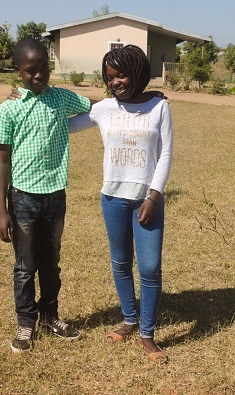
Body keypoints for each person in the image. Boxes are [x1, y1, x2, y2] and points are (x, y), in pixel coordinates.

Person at [68, 45, 173, 363]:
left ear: (137, 73)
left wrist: (154, 196)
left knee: (151, 268)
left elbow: (166, 153)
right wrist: (31, 104)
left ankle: (147, 334)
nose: (115, 82)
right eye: (109, 77)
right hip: (112, 198)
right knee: (120, 262)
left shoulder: (159, 106)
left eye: (122, 75)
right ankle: (129, 319)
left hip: (146, 200)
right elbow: (67, 126)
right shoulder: (103, 109)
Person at [0, 38, 90, 353]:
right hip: (22, 199)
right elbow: (2, 160)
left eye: (43, 68)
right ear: (18, 71)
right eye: (30, 71)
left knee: (51, 263)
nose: (38, 76)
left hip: (55, 197)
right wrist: (1, 211)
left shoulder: (61, 98)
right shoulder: (9, 109)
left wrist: (139, 97)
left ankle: (50, 316)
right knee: (25, 265)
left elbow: (95, 107)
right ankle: (25, 323)